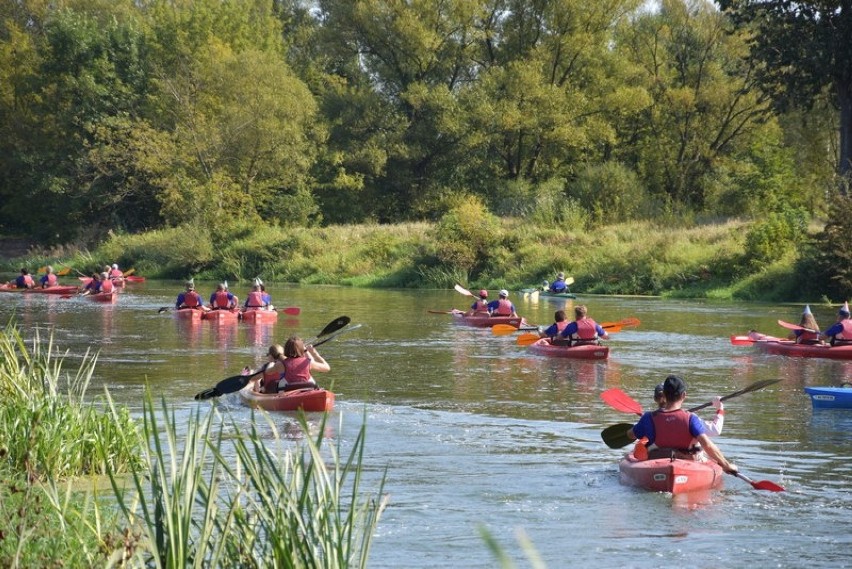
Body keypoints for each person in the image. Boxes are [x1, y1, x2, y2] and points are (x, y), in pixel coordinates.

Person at [627, 375, 738, 474]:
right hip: (688, 467)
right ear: (684, 395)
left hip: (656, 467)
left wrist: (640, 425)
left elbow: (630, 435)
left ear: (664, 394)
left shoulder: (648, 418)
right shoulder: (691, 418)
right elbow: (707, 445)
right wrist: (726, 465)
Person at [652, 382, 724, 437]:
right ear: (681, 396)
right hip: (685, 455)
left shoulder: (649, 418)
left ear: (655, 399)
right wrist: (720, 408)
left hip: (658, 454)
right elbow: (716, 430)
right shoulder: (689, 418)